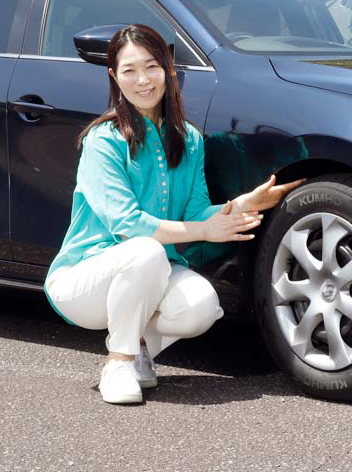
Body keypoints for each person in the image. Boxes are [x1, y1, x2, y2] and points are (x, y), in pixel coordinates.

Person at [44, 24, 304, 404]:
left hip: (151, 271)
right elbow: (128, 225)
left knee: (201, 307)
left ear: (168, 70)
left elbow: (196, 212)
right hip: (84, 280)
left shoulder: (189, 139)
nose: (143, 80)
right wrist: (205, 230)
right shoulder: (103, 141)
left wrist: (245, 203)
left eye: (152, 67)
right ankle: (118, 363)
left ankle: (137, 347)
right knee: (145, 249)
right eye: (130, 70)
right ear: (114, 77)